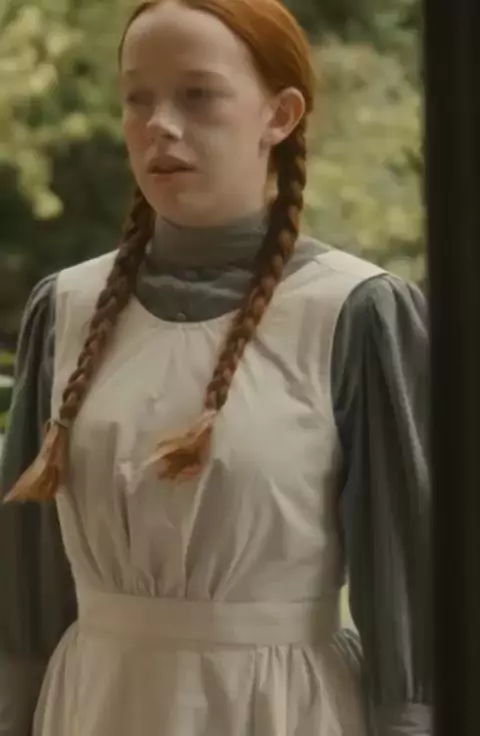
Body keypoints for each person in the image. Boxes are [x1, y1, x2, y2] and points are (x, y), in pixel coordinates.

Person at [0, 0, 431, 734]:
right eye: (138, 98)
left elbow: (411, 592)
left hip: (279, 711)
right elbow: (25, 589)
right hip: (93, 706)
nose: (160, 125)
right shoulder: (66, 308)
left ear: (280, 115)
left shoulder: (357, 311)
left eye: (198, 95)